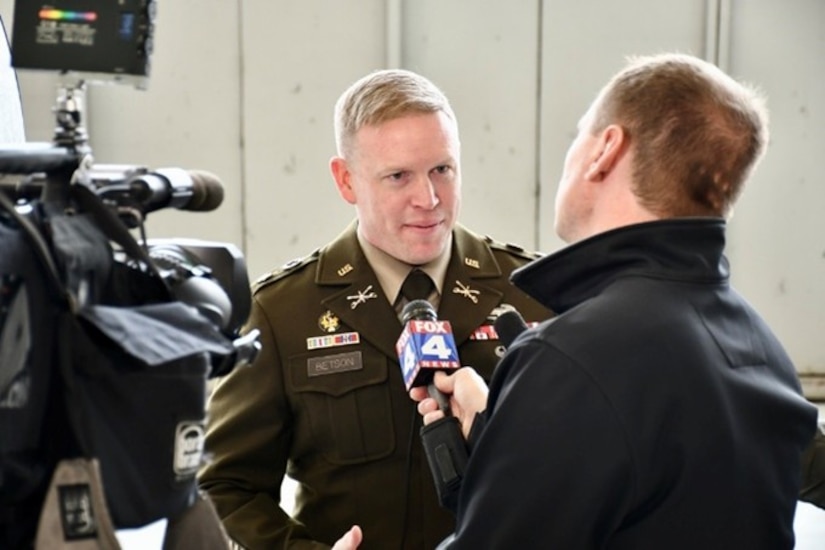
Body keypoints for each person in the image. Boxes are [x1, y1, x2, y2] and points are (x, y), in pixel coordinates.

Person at [401, 53, 819, 549]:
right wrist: (509, 442)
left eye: (579, 133)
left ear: (605, 150)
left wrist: (548, 386)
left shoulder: (577, 360)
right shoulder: (762, 348)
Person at [197, 68, 552, 549]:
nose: (428, 199)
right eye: (398, 176)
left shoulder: (533, 294)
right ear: (346, 180)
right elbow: (224, 486)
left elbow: (593, 464)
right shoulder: (284, 313)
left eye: (442, 170)